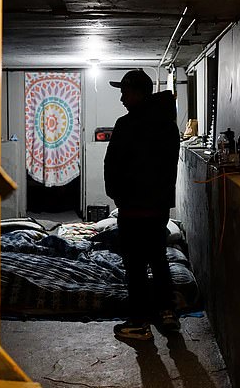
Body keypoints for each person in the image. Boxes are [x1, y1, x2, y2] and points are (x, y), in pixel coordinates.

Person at [104, 69, 180, 341]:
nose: (122, 98)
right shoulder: (168, 125)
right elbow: (169, 167)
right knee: (159, 259)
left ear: (138, 93)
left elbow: (111, 165)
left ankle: (139, 323)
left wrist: (118, 196)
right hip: (159, 208)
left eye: (125, 92)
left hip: (133, 208)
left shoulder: (126, 124)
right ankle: (168, 313)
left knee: (135, 265)